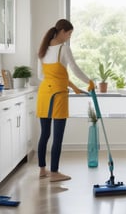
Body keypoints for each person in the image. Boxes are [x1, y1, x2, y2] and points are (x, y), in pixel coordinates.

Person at [36, 19, 95, 182]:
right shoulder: (64, 49)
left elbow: (43, 76)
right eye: (69, 34)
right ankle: (54, 173)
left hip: (44, 95)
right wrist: (89, 81)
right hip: (58, 96)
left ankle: (42, 170)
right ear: (62, 32)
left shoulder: (43, 49)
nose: (69, 37)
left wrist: (74, 87)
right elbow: (75, 69)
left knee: (44, 134)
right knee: (58, 136)